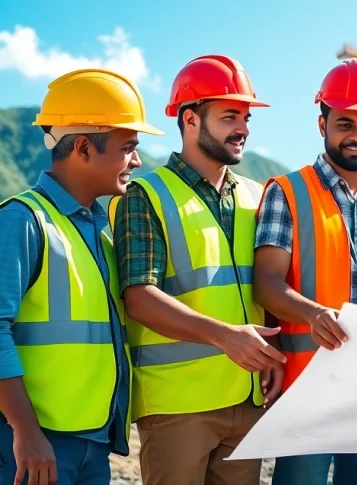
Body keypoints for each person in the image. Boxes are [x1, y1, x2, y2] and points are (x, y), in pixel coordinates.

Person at [0, 68, 164, 485]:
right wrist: (27, 432)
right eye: (128, 148)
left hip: (87, 439)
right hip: (27, 438)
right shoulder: (20, 221)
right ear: (84, 147)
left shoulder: (96, 233)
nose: (137, 161)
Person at [111, 55, 285, 485]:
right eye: (229, 116)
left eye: (245, 117)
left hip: (247, 397)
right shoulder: (145, 194)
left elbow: (269, 285)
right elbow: (139, 297)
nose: (242, 127)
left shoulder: (258, 195)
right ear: (190, 120)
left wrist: (277, 356)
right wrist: (228, 337)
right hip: (177, 405)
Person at [253, 58, 357, 485]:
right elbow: (266, 282)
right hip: (308, 389)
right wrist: (313, 315)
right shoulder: (288, 192)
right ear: (322, 123)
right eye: (345, 123)